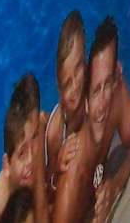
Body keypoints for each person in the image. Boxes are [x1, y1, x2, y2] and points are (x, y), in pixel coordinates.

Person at [51, 17, 130, 223]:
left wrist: (116, 184)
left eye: (107, 84)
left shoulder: (112, 96)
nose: (102, 104)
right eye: (95, 92)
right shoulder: (71, 172)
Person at [0, 74, 47, 223]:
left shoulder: (40, 131)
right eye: (22, 153)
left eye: (35, 135)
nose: (31, 159)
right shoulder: (4, 192)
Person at [45, 11, 89, 192]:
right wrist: (57, 165)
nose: (76, 86)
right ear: (59, 88)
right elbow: (48, 188)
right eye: (67, 83)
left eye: (78, 69)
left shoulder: (94, 89)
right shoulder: (56, 132)